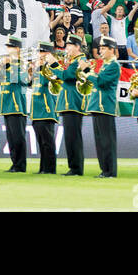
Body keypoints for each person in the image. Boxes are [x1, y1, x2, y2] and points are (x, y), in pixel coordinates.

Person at [87, 38, 120, 178]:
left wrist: (87, 70)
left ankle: (110, 171)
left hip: (105, 106)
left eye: (104, 48)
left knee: (107, 141)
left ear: (112, 50)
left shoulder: (113, 65)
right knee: (100, 141)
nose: (100, 50)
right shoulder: (105, 64)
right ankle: (104, 169)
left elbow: (101, 82)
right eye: (100, 48)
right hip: (98, 105)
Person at [56, 34, 88, 176]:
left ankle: (76, 168)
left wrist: (53, 64)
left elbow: (67, 76)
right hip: (69, 102)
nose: (66, 48)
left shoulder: (80, 60)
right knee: (70, 137)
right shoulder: (73, 60)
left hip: (73, 103)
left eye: (69, 46)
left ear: (77, 46)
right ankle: (73, 166)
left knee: (73, 137)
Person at [0, 38, 30, 172]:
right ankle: (14, 162)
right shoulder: (9, 63)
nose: (8, 50)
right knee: (11, 138)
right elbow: (0, 81)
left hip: (17, 106)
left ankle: (20, 164)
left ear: (17, 49)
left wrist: (8, 66)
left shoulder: (21, 64)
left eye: (10, 47)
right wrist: (0, 69)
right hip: (7, 105)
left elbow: (22, 80)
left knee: (18, 137)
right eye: (7, 47)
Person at [31, 42, 60, 174]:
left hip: (47, 109)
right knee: (41, 142)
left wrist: (45, 65)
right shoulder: (38, 69)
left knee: (47, 142)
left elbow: (57, 79)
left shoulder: (50, 68)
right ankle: (43, 167)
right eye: (39, 52)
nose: (39, 55)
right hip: (37, 110)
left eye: (42, 52)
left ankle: (50, 168)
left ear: (49, 54)